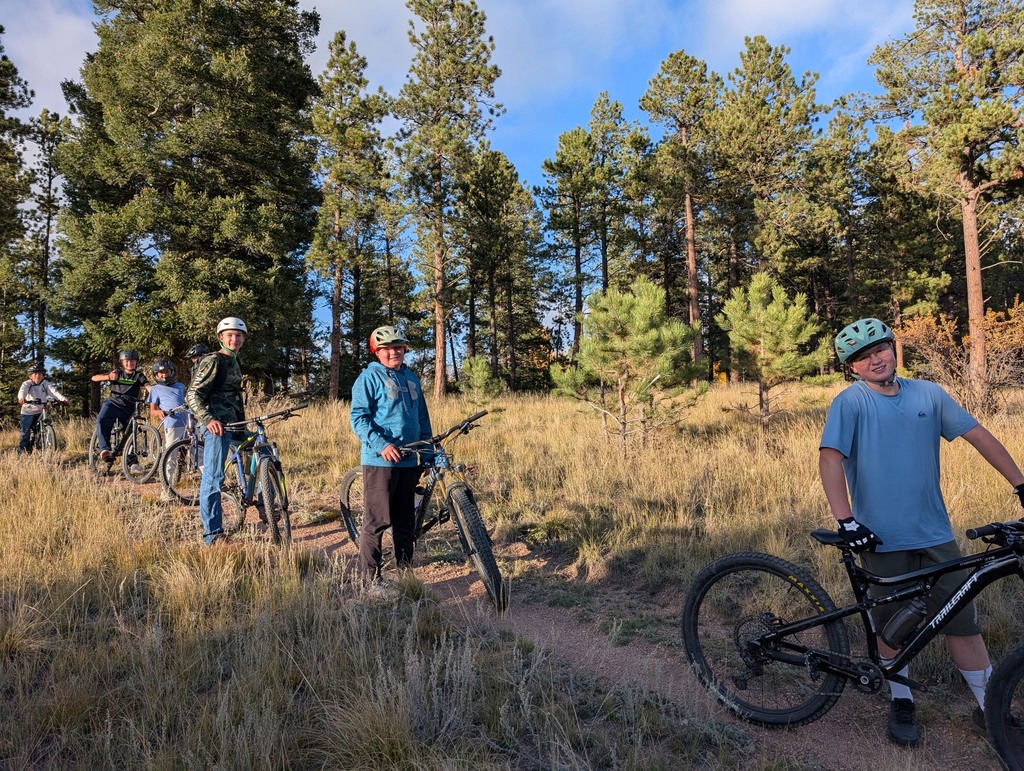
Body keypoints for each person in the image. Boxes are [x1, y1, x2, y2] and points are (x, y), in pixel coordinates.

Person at [819, 317, 1024, 748]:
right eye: (861, 356)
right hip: (878, 538)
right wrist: (846, 521)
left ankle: (990, 710)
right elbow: (831, 458)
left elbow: (978, 436)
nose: (874, 358)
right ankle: (901, 700)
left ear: (894, 349)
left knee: (963, 623)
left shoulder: (928, 394)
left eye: (880, 348)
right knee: (890, 627)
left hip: (934, 534)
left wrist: (1021, 485)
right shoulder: (851, 402)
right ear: (851, 367)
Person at [349, 326, 432, 591]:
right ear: (377, 352)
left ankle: (406, 576)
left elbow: (422, 418)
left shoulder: (411, 377)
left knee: (405, 522)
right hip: (380, 460)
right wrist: (381, 444)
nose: (394, 353)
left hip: (409, 460)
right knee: (377, 521)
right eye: (387, 349)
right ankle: (370, 581)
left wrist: (427, 450)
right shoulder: (368, 378)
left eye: (398, 347)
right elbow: (358, 418)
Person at [186, 318, 247, 546]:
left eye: (239, 335)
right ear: (221, 337)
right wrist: (208, 419)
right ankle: (212, 535)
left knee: (261, 452)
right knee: (213, 478)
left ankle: (266, 505)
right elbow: (192, 395)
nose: (235, 339)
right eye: (229, 335)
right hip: (216, 425)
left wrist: (244, 425)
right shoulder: (214, 360)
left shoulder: (235, 361)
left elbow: (234, 397)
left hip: (236, 423)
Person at [91, 349, 148, 467]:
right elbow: (94, 378)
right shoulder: (117, 373)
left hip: (129, 407)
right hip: (113, 403)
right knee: (102, 419)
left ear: (136, 362)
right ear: (122, 362)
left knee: (130, 432)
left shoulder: (138, 376)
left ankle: (132, 463)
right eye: (127, 361)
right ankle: (105, 449)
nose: (129, 364)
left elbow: (148, 387)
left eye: (132, 361)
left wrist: (155, 396)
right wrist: (108, 376)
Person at [147, 358, 188, 502]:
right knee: (170, 457)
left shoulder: (181, 386)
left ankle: (212, 487)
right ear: (156, 375)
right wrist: (159, 413)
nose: (164, 375)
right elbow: (152, 409)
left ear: (172, 372)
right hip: (172, 424)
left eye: (167, 372)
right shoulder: (155, 389)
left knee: (199, 453)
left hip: (189, 422)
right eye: (161, 373)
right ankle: (166, 490)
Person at [17, 363, 68, 454]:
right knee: (25, 433)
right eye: (35, 374)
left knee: (45, 426)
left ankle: (42, 443)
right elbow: (22, 391)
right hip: (28, 411)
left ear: (43, 376)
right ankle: (22, 453)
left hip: (41, 410)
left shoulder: (45, 384)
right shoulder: (27, 384)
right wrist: (21, 398)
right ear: (31, 376)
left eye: (40, 374)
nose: (38, 376)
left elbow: (54, 392)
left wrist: (63, 399)